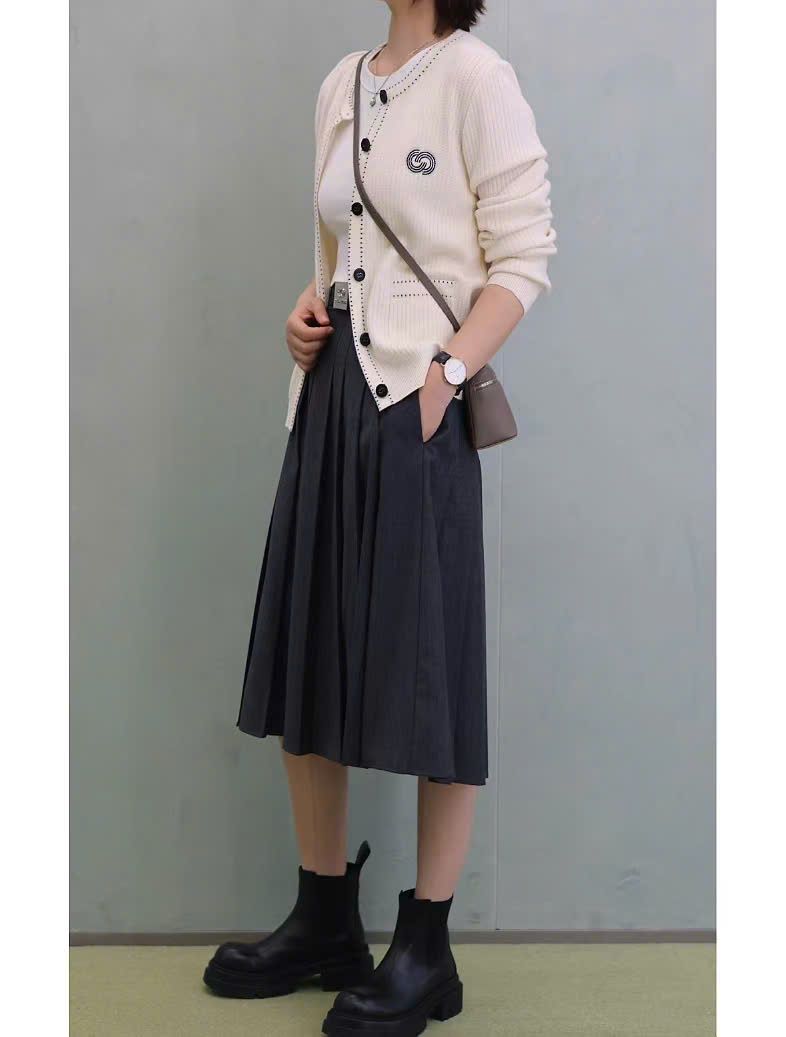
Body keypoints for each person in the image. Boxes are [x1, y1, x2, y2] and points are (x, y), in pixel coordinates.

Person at [204, 1, 556, 1033]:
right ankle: (324, 918)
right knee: (308, 647)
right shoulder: (342, 81)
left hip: (417, 409)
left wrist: (446, 373)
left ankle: (427, 947)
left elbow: (524, 257)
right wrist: (305, 309)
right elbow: (339, 248)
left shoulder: (477, 78)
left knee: (432, 666)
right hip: (330, 401)